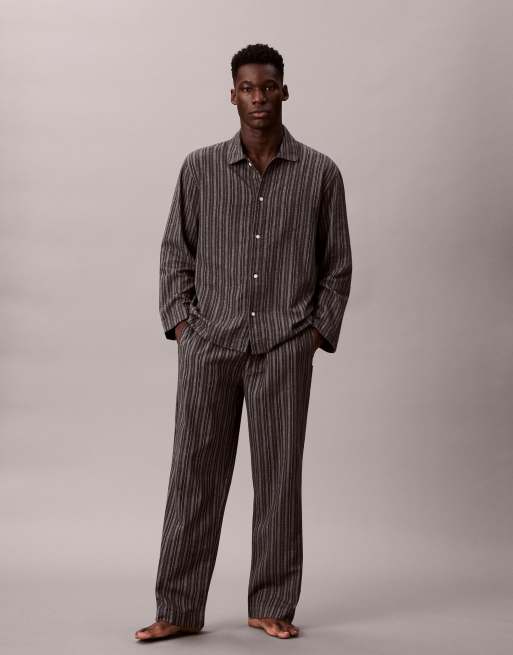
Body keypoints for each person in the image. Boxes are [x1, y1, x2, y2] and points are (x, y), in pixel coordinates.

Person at [135, 42, 352, 641]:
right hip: (210, 347)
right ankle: (178, 608)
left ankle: (272, 604)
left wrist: (312, 336)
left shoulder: (320, 174)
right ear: (232, 95)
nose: (260, 98)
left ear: (285, 91)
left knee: (279, 481)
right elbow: (174, 254)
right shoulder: (199, 169)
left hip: (284, 349)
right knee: (194, 476)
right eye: (249, 88)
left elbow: (337, 268)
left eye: (269, 87)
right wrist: (185, 328)